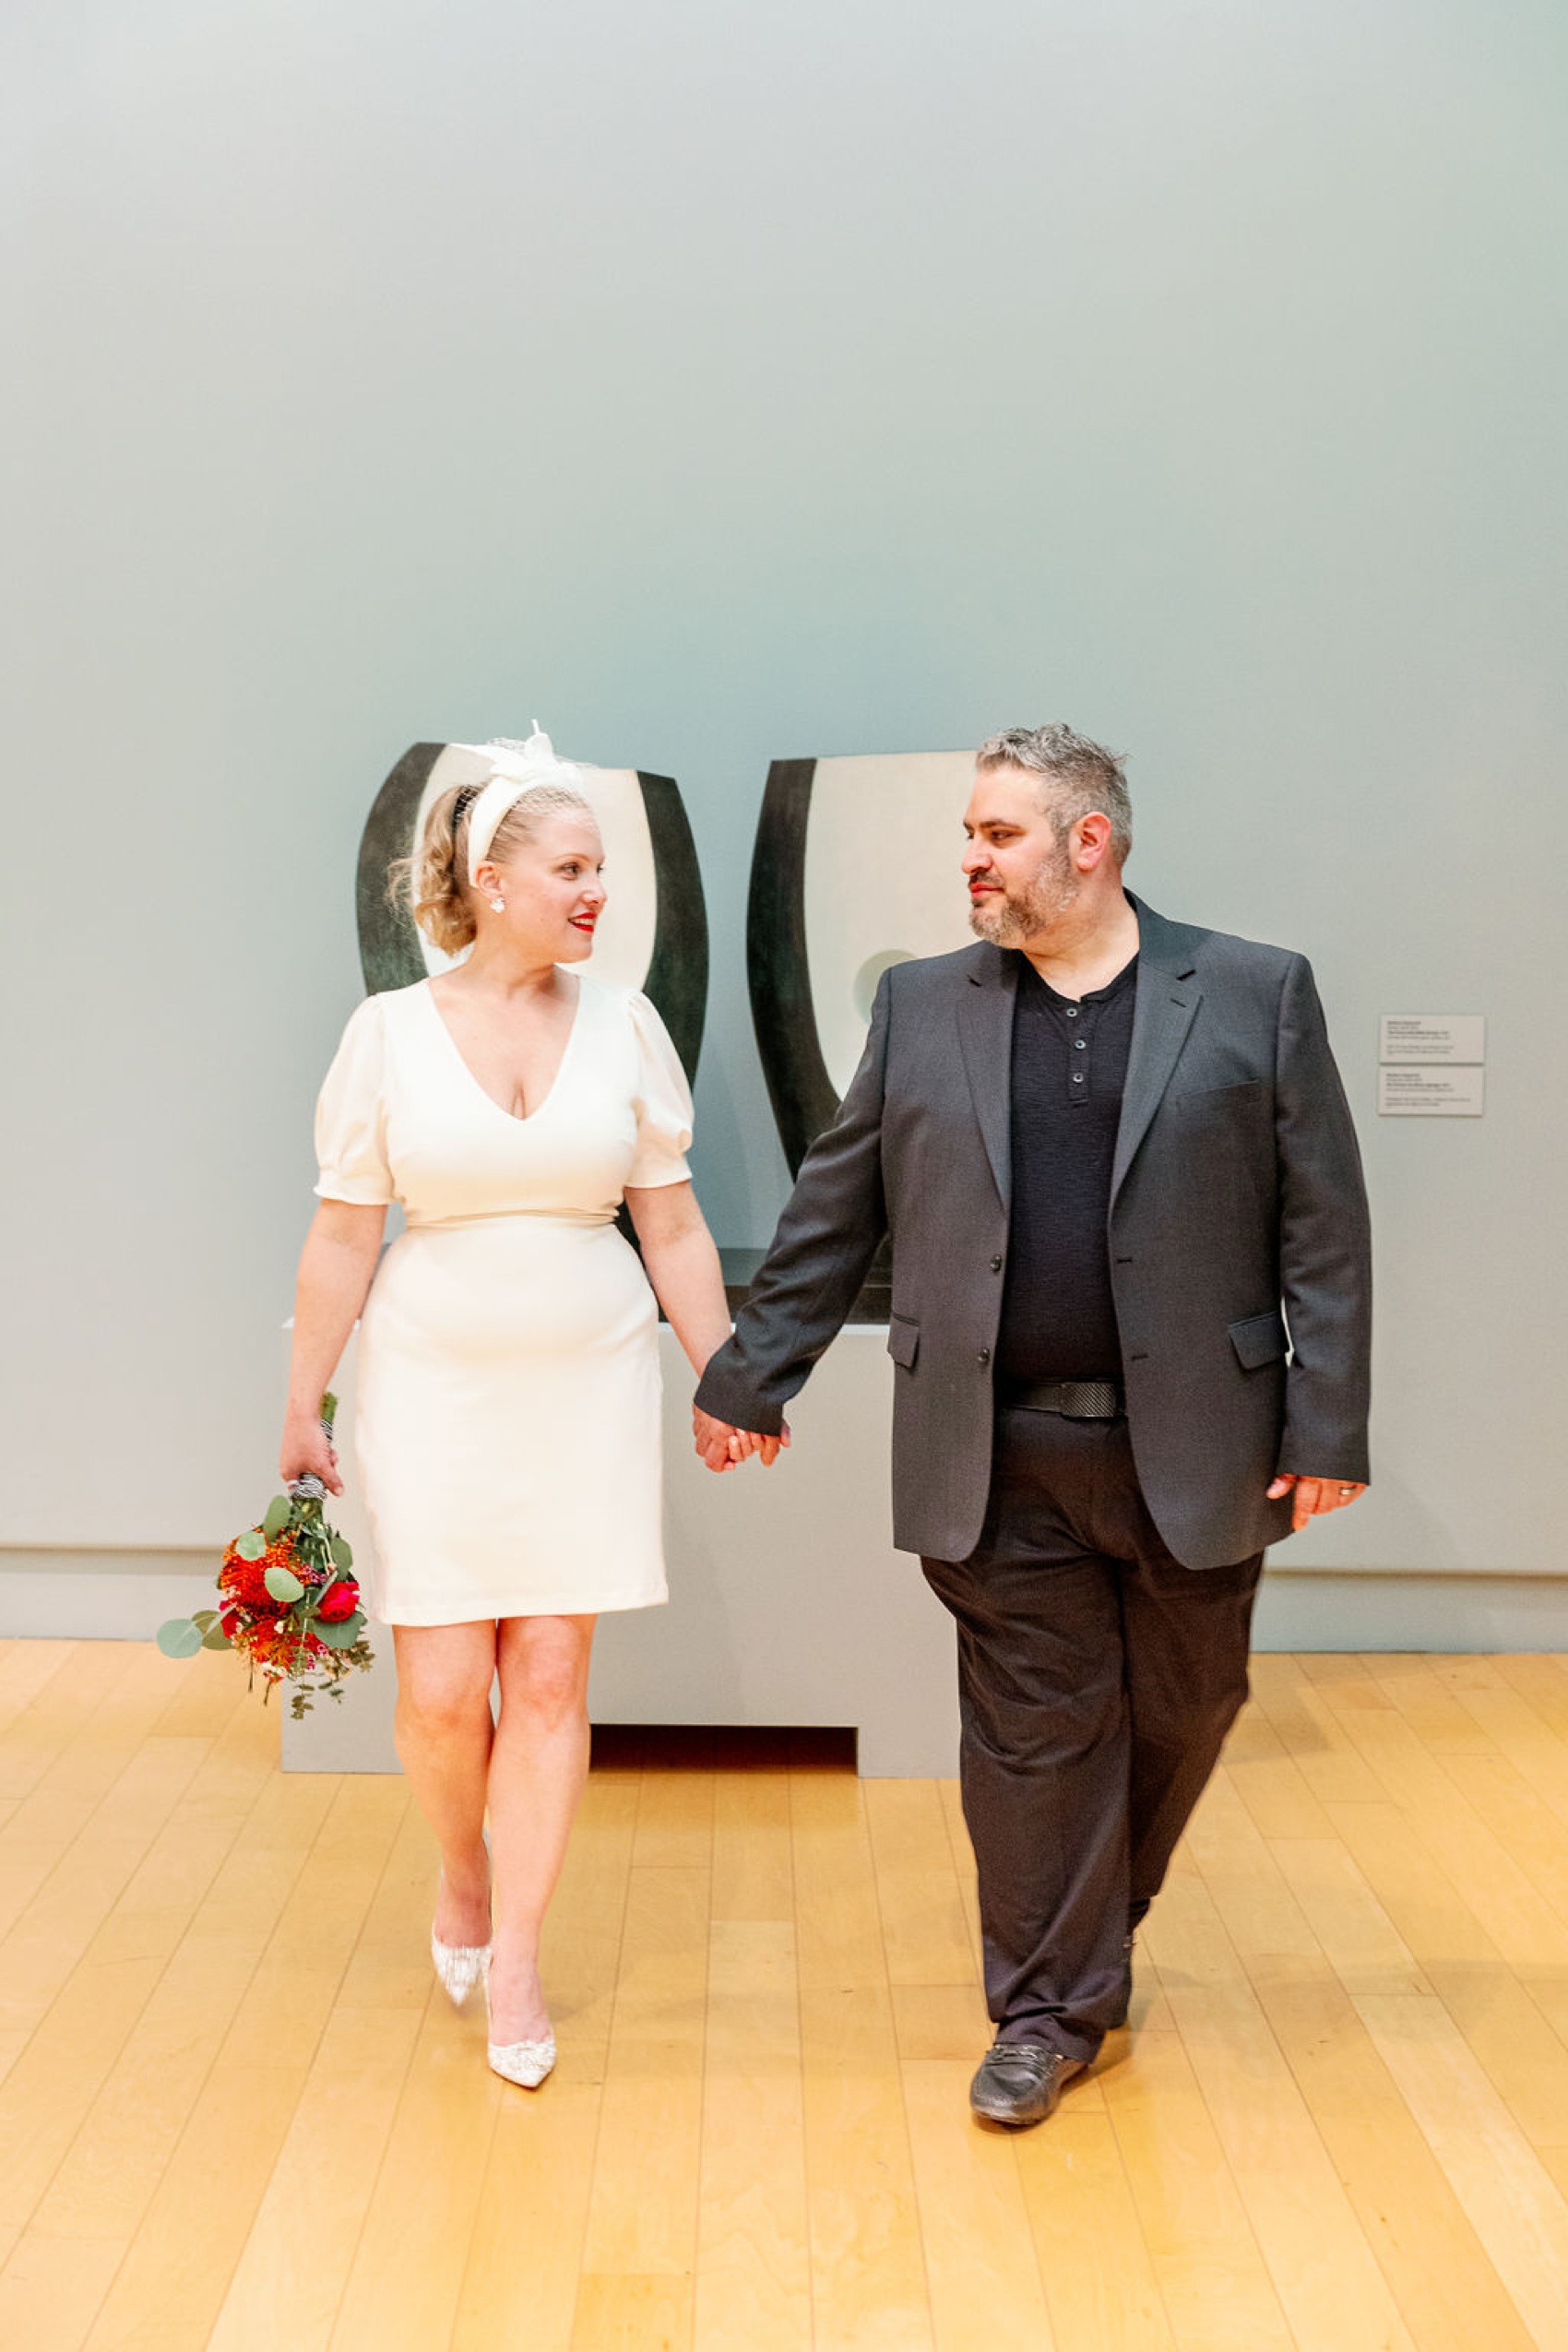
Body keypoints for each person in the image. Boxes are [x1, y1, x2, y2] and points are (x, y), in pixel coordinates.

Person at [694, 723, 1372, 2129]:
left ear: (1090, 840)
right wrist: (754, 1374)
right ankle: (1044, 2010)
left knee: (1189, 1709)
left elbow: (1325, 1232)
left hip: (1199, 1445)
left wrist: (1330, 1420)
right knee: (1031, 1740)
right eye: (970, 833)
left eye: (996, 834)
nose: (970, 858)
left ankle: (1087, 1932)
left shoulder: (1254, 992)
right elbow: (839, 1206)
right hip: (995, 1452)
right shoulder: (926, 1005)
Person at [281, 729, 736, 2090]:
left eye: (603, 869)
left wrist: (727, 1372)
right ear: (488, 877)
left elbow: (675, 1226)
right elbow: (342, 1240)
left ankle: (521, 1944)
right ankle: (461, 1867)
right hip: (431, 1384)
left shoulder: (628, 1022)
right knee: (438, 1694)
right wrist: (299, 1397)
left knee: (547, 1669)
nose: (598, 893)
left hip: (588, 1376)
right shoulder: (388, 1034)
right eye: (573, 868)